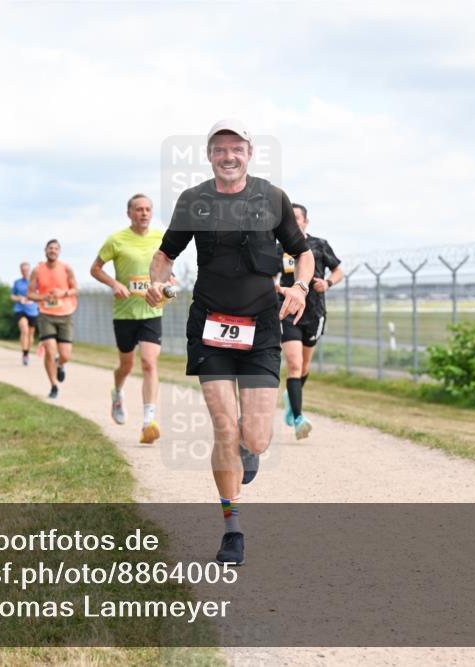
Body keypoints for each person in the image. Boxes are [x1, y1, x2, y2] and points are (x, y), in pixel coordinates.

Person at [145, 119, 313, 565]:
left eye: (236, 148)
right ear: (209, 156)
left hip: (262, 326)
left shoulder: (272, 198)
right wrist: (156, 281)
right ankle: (232, 528)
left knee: (254, 438)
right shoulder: (193, 200)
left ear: (250, 153)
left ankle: (247, 449)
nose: (228, 156)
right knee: (223, 428)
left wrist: (299, 287)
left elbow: (303, 253)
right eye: (219, 149)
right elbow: (165, 255)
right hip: (210, 326)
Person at [90, 193, 173, 444]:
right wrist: (114, 284)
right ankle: (117, 392)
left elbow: (167, 268)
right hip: (125, 313)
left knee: (149, 362)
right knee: (126, 366)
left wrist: (169, 282)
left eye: (148, 209)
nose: (144, 213)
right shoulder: (116, 240)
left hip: (152, 310)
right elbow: (95, 269)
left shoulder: (161, 238)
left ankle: (148, 421)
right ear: (129, 213)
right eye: (139, 209)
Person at [277, 203, 343, 440]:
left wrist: (327, 283)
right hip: (288, 312)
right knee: (294, 365)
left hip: (315, 313)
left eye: (297, 218)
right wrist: (277, 288)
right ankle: (298, 419)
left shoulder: (319, 245)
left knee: (304, 366)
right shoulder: (278, 248)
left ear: (306, 221)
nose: (294, 222)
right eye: (290, 217)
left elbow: (338, 271)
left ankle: (291, 398)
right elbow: (271, 277)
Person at [28, 240, 78, 398]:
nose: (53, 251)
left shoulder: (66, 268)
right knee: (50, 351)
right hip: (46, 315)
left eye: (56, 248)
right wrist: (44, 297)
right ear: (45, 250)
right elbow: (30, 294)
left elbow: (75, 289)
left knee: (66, 355)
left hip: (65, 314)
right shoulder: (37, 270)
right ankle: (54, 386)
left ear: (59, 252)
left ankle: (60, 364)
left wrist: (63, 293)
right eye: (50, 248)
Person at [11, 262, 40, 365]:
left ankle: (27, 352)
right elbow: (12, 296)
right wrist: (19, 298)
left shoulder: (35, 282)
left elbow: (40, 295)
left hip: (32, 310)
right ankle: (24, 354)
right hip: (20, 309)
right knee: (24, 330)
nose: (25, 271)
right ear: (20, 271)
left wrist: (33, 298)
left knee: (31, 334)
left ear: (29, 270)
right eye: (23, 270)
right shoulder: (17, 282)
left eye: (27, 270)